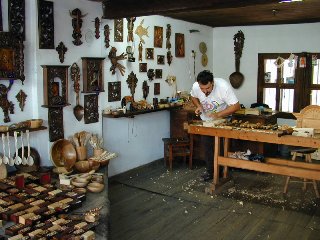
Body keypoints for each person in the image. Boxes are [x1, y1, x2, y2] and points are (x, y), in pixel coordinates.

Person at [190, 70, 240, 181]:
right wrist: (199, 106)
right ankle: (210, 172)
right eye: (202, 89)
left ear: (212, 83)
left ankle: (223, 172)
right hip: (207, 121)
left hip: (222, 119)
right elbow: (193, 96)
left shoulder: (223, 86)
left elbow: (236, 106)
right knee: (207, 146)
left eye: (207, 88)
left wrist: (218, 114)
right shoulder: (196, 86)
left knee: (222, 147)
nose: (204, 92)